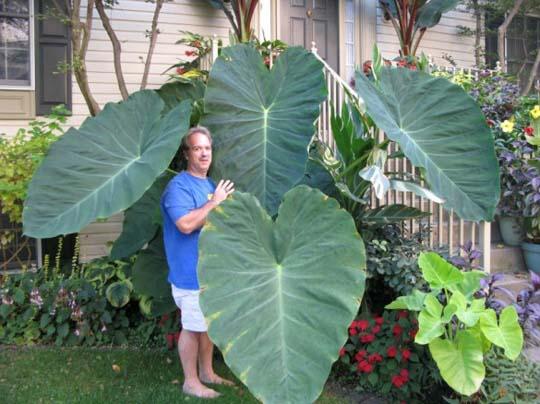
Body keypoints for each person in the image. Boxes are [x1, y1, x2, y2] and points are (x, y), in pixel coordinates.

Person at [160, 126, 235, 399]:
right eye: (197, 148)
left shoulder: (210, 185)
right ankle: (190, 381)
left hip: (210, 273)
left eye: (207, 148)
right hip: (188, 273)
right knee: (192, 327)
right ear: (186, 153)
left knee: (208, 327)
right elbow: (185, 224)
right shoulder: (178, 187)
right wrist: (215, 203)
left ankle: (207, 372)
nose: (204, 153)